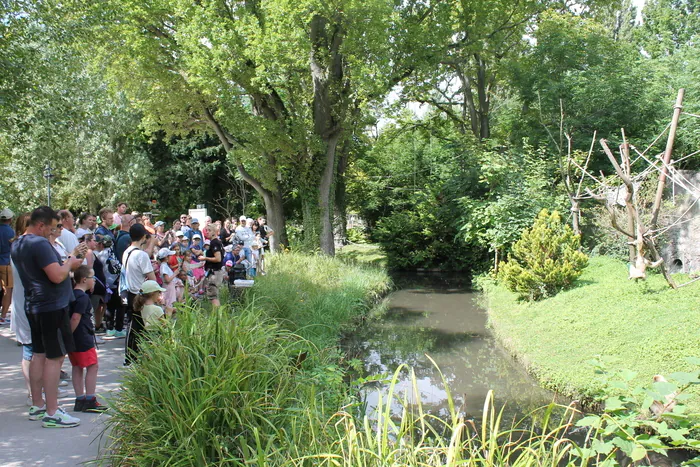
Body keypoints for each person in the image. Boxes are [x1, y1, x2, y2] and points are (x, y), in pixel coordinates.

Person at [12, 206, 87, 428]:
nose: (54, 232)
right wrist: (71, 261)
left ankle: (38, 405)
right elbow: (57, 276)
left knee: (38, 354)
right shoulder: (40, 243)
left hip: (34, 306)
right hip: (52, 307)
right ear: (41, 224)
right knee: (55, 358)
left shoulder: (18, 243)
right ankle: (53, 412)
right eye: (53, 228)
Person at [69, 265, 108, 413]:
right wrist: (69, 335)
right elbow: (75, 318)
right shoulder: (83, 298)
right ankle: (90, 399)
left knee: (77, 367)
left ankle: (80, 399)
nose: (94, 281)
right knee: (92, 366)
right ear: (84, 279)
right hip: (83, 337)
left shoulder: (72, 295)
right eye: (93, 278)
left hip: (75, 339)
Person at [121, 223, 157, 365]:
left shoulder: (128, 251)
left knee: (135, 325)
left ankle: (132, 357)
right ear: (143, 237)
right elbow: (152, 278)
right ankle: (133, 358)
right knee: (140, 326)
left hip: (130, 292)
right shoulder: (141, 255)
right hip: (140, 294)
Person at [199, 224, 224, 307]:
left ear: (214, 232)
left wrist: (205, 258)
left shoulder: (214, 243)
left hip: (214, 272)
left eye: (209, 230)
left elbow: (218, 258)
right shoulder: (217, 242)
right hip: (216, 272)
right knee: (214, 295)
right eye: (206, 231)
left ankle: (217, 317)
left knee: (213, 296)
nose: (207, 232)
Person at [0, 208, 15, 324]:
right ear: (10, 219)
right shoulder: (11, 232)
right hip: (6, 263)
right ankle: (3, 316)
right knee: (7, 290)